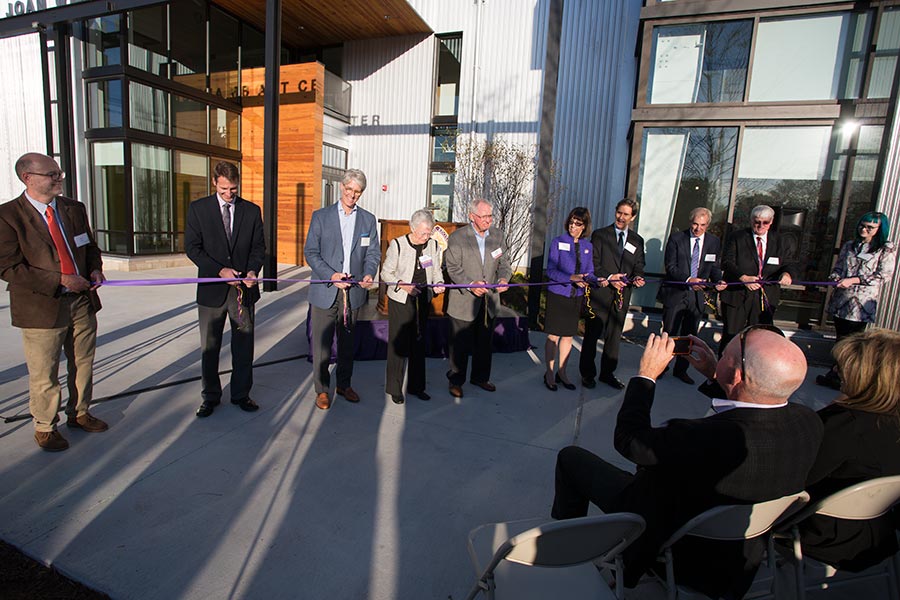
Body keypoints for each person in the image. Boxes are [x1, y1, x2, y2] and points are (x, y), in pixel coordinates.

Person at [552, 328, 823, 597]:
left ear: (738, 373)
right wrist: (718, 376)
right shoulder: (809, 423)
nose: (724, 346)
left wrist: (646, 375)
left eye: (731, 347)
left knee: (570, 458)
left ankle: (568, 553)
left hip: (681, 550)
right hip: (741, 557)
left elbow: (631, 441)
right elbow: (752, 405)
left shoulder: (700, 439)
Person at [0, 152, 107, 451]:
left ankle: (80, 412)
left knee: (83, 362)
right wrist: (60, 279)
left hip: (82, 302)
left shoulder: (74, 208)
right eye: (52, 174)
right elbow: (9, 267)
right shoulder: (7, 216)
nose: (59, 178)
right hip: (41, 307)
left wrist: (95, 268)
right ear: (28, 178)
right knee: (44, 371)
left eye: (58, 173)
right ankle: (46, 426)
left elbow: (90, 246)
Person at [798, 328, 900, 570]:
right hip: (881, 529)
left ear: (866, 377)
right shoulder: (887, 421)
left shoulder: (843, 426)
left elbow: (796, 477)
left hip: (829, 535)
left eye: (845, 367)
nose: (838, 373)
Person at [185, 161, 266, 418]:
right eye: (223, 189)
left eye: (233, 189)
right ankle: (210, 396)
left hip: (243, 292)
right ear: (214, 182)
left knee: (244, 345)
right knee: (210, 347)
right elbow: (193, 248)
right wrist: (220, 271)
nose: (229, 194)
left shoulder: (251, 211)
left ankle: (241, 394)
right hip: (212, 292)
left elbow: (258, 249)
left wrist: (253, 271)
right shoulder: (198, 210)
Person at [305, 168, 380, 410]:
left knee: (348, 343)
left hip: (353, 293)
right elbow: (311, 252)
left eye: (357, 192)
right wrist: (330, 275)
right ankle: (322, 389)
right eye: (349, 190)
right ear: (341, 187)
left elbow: (373, 253)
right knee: (322, 344)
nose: (352, 196)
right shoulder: (321, 217)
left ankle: (344, 384)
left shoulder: (368, 220)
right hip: (325, 289)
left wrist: (369, 273)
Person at [816, 212, 895, 389]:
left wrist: (854, 280)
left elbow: (884, 275)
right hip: (841, 301)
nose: (864, 229)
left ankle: (845, 375)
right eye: (862, 225)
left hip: (860, 305)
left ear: (879, 229)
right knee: (840, 339)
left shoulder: (886, 248)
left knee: (853, 341)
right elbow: (839, 267)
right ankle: (836, 372)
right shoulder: (850, 245)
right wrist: (835, 277)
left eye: (870, 227)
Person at [444, 198, 512, 398]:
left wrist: (503, 278)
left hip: (488, 301)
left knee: (484, 342)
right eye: (483, 216)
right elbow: (453, 268)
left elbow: (505, 263)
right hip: (463, 301)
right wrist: (470, 284)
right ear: (472, 217)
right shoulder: (457, 237)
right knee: (460, 345)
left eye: (490, 216)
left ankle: (480, 377)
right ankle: (456, 381)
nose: (488, 220)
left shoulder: (498, 236)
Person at [579, 198, 645, 390]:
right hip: (600, 294)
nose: (621, 217)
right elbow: (593, 263)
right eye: (619, 212)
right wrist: (609, 276)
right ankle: (588, 374)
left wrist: (638, 277)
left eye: (626, 214)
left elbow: (639, 264)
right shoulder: (601, 235)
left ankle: (607, 373)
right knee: (592, 335)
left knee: (614, 337)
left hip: (621, 296)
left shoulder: (636, 240)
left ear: (632, 217)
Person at [381, 209, 445, 405]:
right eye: (423, 233)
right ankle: (394, 388)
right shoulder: (398, 245)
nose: (426, 237)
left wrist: (439, 283)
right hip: (401, 300)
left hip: (422, 299)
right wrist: (402, 284)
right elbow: (386, 274)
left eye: (429, 233)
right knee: (399, 344)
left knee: (419, 343)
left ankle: (417, 387)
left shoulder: (433, 245)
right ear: (412, 228)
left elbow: (436, 270)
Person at [658, 207, 726, 384]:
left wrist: (718, 281)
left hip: (696, 298)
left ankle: (681, 370)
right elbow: (671, 266)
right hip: (676, 293)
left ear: (708, 225)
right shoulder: (676, 239)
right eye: (695, 224)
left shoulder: (714, 242)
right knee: (669, 333)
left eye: (702, 225)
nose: (698, 229)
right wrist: (689, 279)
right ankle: (661, 366)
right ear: (690, 222)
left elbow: (715, 267)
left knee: (689, 336)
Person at [720, 204, 798, 354]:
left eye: (765, 222)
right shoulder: (738, 237)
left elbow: (789, 263)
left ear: (772, 222)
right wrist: (743, 277)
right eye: (757, 221)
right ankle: (723, 374)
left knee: (760, 340)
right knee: (731, 338)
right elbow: (726, 261)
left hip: (764, 298)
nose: (760, 226)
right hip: (737, 296)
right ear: (751, 220)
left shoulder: (780, 241)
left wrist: (787, 274)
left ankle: (751, 373)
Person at [543, 207, 594, 391]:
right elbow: (550, 270)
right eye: (571, 223)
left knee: (567, 336)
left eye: (578, 224)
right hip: (558, 295)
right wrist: (571, 278)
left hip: (576, 297)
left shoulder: (588, 246)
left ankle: (562, 371)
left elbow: (590, 271)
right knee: (553, 336)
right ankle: (549, 372)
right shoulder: (558, 242)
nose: (573, 227)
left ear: (584, 226)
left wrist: (590, 280)